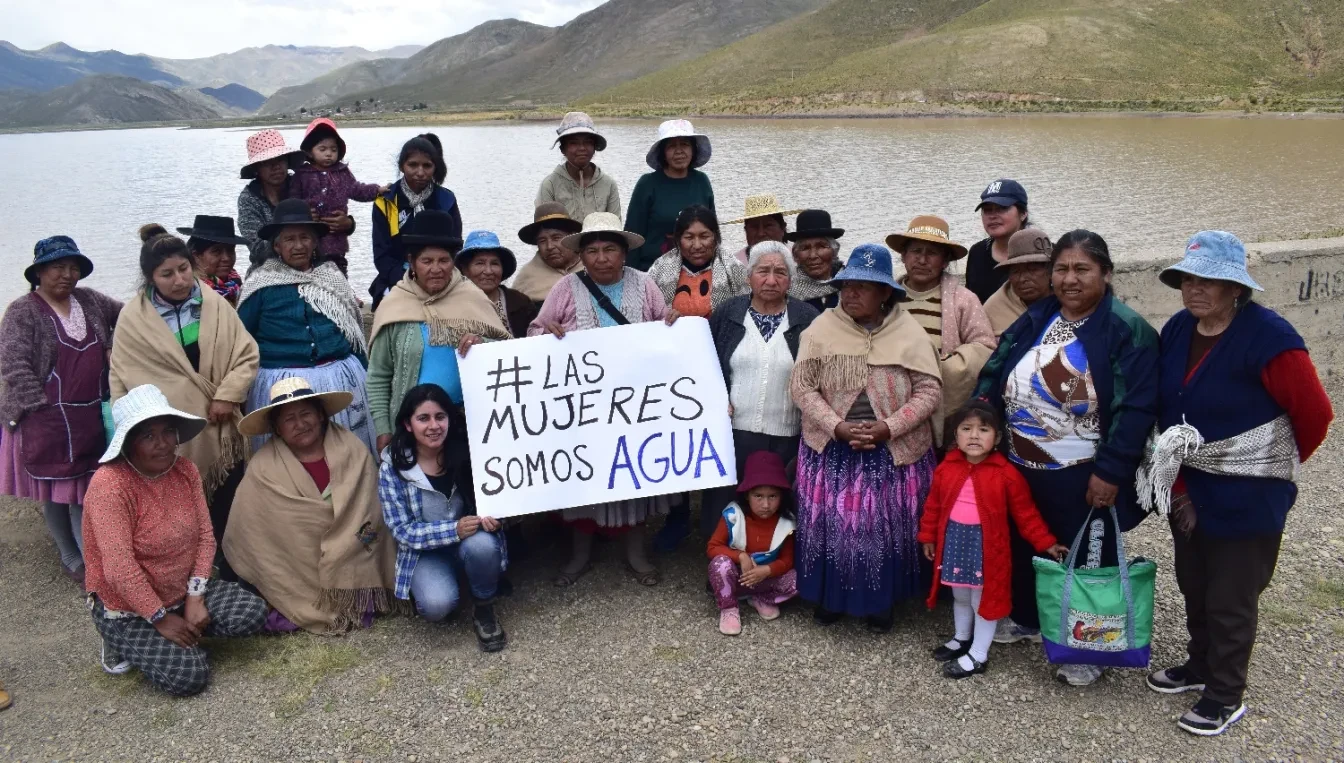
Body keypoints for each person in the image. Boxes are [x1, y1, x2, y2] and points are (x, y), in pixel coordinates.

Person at [1140, 231, 1333, 736]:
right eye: (1188, 278)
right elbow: (1168, 412)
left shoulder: (1271, 339)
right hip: (1191, 484)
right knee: (1195, 583)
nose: (1195, 289)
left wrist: (1261, 464)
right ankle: (1199, 665)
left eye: (1211, 280)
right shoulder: (1180, 329)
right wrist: (1179, 483)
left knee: (1231, 594)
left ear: (1236, 288)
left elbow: (1313, 414)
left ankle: (1225, 694)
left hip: (1249, 493)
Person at [974, 229, 1159, 687]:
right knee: (1025, 542)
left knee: (1087, 555)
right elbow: (997, 365)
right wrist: (982, 418)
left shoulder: (1124, 328)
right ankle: (1029, 619)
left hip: (1082, 471)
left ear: (1106, 273)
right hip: (1021, 460)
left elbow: (1135, 407)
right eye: (1061, 269)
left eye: (1082, 269)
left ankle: (1088, 646)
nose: (1069, 279)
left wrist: (1111, 470)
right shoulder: (1041, 314)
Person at [790, 243, 943, 631]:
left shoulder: (909, 333)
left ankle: (880, 601)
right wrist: (837, 425)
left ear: (885, 293)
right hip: (832, 447)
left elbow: (928, 390)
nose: (852, 294)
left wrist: (889, 426)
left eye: (863, 287)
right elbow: (803, 389)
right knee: (832, 526)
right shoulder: (821, 330)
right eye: (847, 286)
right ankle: (831, 597)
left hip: (892, 449)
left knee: (883, 527)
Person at [529, 212, 681, 586]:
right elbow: (535, 330)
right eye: (592, 250)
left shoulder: (645, 286)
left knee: (634, 473)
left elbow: (666, 327)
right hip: (584, 406)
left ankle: (636, 552)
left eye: (609, 249)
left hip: (635, 403)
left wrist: (675, 322)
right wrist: (547, 332)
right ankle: (580, 553)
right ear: (581, 254)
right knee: (587, 474)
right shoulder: (565, 288)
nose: (600, 258)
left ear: (623, 253)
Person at [83, 385, 266, 694]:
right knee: (189, 677)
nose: (163, 444)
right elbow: (119, 569)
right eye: (148, 436)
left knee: (251, 612)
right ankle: (119, 637)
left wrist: (195, 598)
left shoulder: (185, 470)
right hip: (129, 605)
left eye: (168, 431)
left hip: (180, 590)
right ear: (127, 442)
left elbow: (206, 537)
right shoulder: (110, 486)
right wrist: (160, 619)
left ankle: (183, 627)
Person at [110, 226, 259, 562]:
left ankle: (229, 558)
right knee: (174, 502)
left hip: (218, 425)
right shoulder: (132, 320)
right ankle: (186, 566)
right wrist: (129, 430)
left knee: (226, 496)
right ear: (150, 278)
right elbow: (120, 377)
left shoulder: (215, 305)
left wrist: (229, 394)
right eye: (166, 274)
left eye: (183, 269)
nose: (178, 280)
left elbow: (246, 354)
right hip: (165, 434)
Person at [225, 378, 399, 634]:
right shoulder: (263, 468)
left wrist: (342, 541)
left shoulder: (352, 449)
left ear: (320, 415)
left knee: (363, 584)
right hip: (295, 561)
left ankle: (345, 595)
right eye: (289, 419)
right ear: (277, 428)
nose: (300, 424)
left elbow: (369, 510)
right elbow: (249, 527)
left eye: (306, 413)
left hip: (353, 551)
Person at [0, 236, 122, 585]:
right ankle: (76, 558)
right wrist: (40, 410)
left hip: (88, 415)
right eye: (58, 267)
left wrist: (115, 344)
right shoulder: (23, 311)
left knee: (81, 488)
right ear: (39, 272)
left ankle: (88, 558)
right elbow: (15, 366)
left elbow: (129, 315)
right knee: (57, 488)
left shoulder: (90, 301)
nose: (67, 275)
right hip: (45, 417)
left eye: (73, 268)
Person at [918, 401, 1067, 679]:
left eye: (983, 429)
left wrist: (1046, 542)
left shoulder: (1006, 474)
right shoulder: (946, 468)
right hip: (955, 544)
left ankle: (978, 654)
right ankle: (962, 637)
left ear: (997, 438)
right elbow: (934, 507)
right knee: (960, 595)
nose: (974, 436)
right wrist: (927, 536)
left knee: (983, 600)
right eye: (966, 428)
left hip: (987, 551)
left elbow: (1026, 514)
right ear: (956, 436)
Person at [367, 211, 512, 453]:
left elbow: (507, 355)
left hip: (471, 424)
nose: (436, 269)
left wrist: (481, 342)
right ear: (412, 263)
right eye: (427, 261)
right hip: (412, 427)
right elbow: (378, 376)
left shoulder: (471, 297)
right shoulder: (394, 304)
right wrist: (383, 429)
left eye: (444, 260)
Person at [237, 199, 375, 453]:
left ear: (315, 242)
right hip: (282, 386)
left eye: (305, 237)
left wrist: (368, 377)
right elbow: (241, 342)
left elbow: (353, 332)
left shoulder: (332, 278)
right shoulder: (260, 285)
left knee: (348, 454)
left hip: (341, 381)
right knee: (291, 461)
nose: (298, 245)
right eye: (289, 239)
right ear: (276, 245)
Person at [379, 384, 508, 651]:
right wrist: (454, 530)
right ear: (407, 424)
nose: (433, 426)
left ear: (450, 419)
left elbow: (498, 497)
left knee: (483, 546)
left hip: (471, 540)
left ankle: (483, 606)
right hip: (424, 552)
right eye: (423, 418)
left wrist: (495, 517)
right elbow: (401, 530)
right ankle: (453, 584)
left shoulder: (472, 452)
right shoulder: (392, 467)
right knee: (437, 606)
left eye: (440, 417)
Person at [703, 241, 818, 539]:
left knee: (775, 504)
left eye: (780, 272)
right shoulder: (728, 313)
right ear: (748, 276)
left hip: (787, 433)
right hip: (733, 431)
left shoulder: (807, 318)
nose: (771, 280)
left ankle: (774, 565)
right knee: (728, 498)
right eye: (762, 271)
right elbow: (705, 361)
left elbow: (819, 372)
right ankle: (724, 562)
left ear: (791, 280)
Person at [886, 215, 996, 443]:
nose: (923, 260)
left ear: (945, 261)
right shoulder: (887, 298)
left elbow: (984, 347)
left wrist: (940, 367)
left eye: (932, 253)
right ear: (903, 256)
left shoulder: (963, 300)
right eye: (916, 251)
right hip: (890, 403)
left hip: (940, 403)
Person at [706, 451, 798, 636]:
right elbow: (713, 547)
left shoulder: (786, 522)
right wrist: (740, 556)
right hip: (737, 578)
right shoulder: (733, 516)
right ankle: (729, 606)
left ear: (782, 496)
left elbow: (788, 560)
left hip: (764, 579)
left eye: (773, 496)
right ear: (747, 495)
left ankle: (762, 598)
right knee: (720, 564)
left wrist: (767, 570)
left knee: (801, 579)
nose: (765, 504)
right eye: (758, 496)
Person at [238, 129, 354, 273]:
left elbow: (330, 210)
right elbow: (256, 247)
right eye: (267, 163)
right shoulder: (249, 199)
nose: (276, 167)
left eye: (280, 160)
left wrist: (347, 224)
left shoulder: (304, 183)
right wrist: (301, 225)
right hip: (267, 270)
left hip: (315, 264)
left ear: (287, 161)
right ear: (256, 169)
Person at [371, 133, 462, 305]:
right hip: (397, 277)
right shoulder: (385, 202)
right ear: (401, 166)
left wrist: (437, 275)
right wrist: (408, 279)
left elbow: (455, 246)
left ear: (435, 167)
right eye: (413, 165)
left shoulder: (446, 200)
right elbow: (381, 254)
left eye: (427, 165)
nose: (420, 172)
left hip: (440, 274)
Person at [291, 118, 389, 276]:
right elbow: (292, 201)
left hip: (336, 241)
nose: (329, 154)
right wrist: (304, 212)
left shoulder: (343, 173)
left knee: (338, 275)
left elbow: (358, 190)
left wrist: (378, 190)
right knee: (309, 274)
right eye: (322, 149)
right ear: (309, 151)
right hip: (308, 240)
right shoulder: (301, 174)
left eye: (333, 149)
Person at [625, 119, 715, 271]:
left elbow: (712, 230)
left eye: (685, 144)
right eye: (672, 146)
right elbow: (633, 234)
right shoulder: (647, 184)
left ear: (693, 149)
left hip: (696, 270)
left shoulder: (702, 181)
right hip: (652, 271)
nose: (679, 151)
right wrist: (630, 275)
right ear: (663, 152)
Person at [648, 205, 748, 319]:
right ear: (678, 240)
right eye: (689, 237)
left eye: (704, 237)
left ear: (715, 237)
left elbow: (747, 312)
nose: (697, 245)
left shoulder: (734, 268)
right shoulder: (660, 269)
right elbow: (647, 315)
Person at [536, 112, 621, 222]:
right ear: (563, 149)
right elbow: (546, 230)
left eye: (588, 142)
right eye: (574, 143)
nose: (582, 148)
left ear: (594, 147)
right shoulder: (550, 185)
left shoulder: (608, 184)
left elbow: (615, 226)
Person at [455, 230, 538, 338]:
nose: (488, 271)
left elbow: (536, 336)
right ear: (465, 269)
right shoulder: (453, 303)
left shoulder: (520, 302)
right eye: (480, 263)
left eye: (495, 263)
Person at [965, 179, 1031, 303]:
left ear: (1023, 214)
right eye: (987, 210)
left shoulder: (1044, 253)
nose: (993, 216)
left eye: (1002, 208)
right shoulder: (977, 252)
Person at [512, 202, 585, 307]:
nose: (549, 246)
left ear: (571, 237)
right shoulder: (527, 277)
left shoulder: (592, 264)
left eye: (556, 238)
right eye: (542, 241)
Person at [984, 228, 1053, 337]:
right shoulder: (994, 308)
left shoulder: (1068, 298)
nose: (1022, 279)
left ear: (1050, 271)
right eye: (1016, 272)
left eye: (1032, 269)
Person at [177, 215, 248, 306]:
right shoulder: (189, 294)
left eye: (230, 250)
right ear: (196, 256)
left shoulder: (236, 284)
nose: (226, 258)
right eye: (216, 251)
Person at [784, 209, 845, 311]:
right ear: (796, 255)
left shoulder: (849, 282)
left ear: (834, 251)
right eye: (805, 248)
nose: (813, 256)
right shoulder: (786, 289)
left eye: (821, 246)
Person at [726, 194, 801, 264]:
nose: (760, 233)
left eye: (768, 226)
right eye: (754, 227)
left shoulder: (799, 260)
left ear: (782, 228)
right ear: (746, 230)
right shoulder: (733, 264)